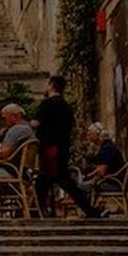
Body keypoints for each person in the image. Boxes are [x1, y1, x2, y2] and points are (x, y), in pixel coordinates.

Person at [34, 75, 94, 218]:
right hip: (63, 147)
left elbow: (38, 123)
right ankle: (35, 210)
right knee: (53, 181)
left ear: (51, 85)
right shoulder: (67, 107)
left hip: (50, 149)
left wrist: (28, 124)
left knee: (55, 180)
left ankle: (34, 211)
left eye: (47, 84)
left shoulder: (47, 104)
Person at [79, 121, 125, 218]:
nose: (89, 137)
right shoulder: (107, 147)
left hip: (113, 184)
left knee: (81, 187)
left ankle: (91, 212)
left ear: (98, 134)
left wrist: (88, 176)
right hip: (113, 181)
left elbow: (101, 171)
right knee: (84, 185)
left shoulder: (107, 149)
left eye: (91, 134)